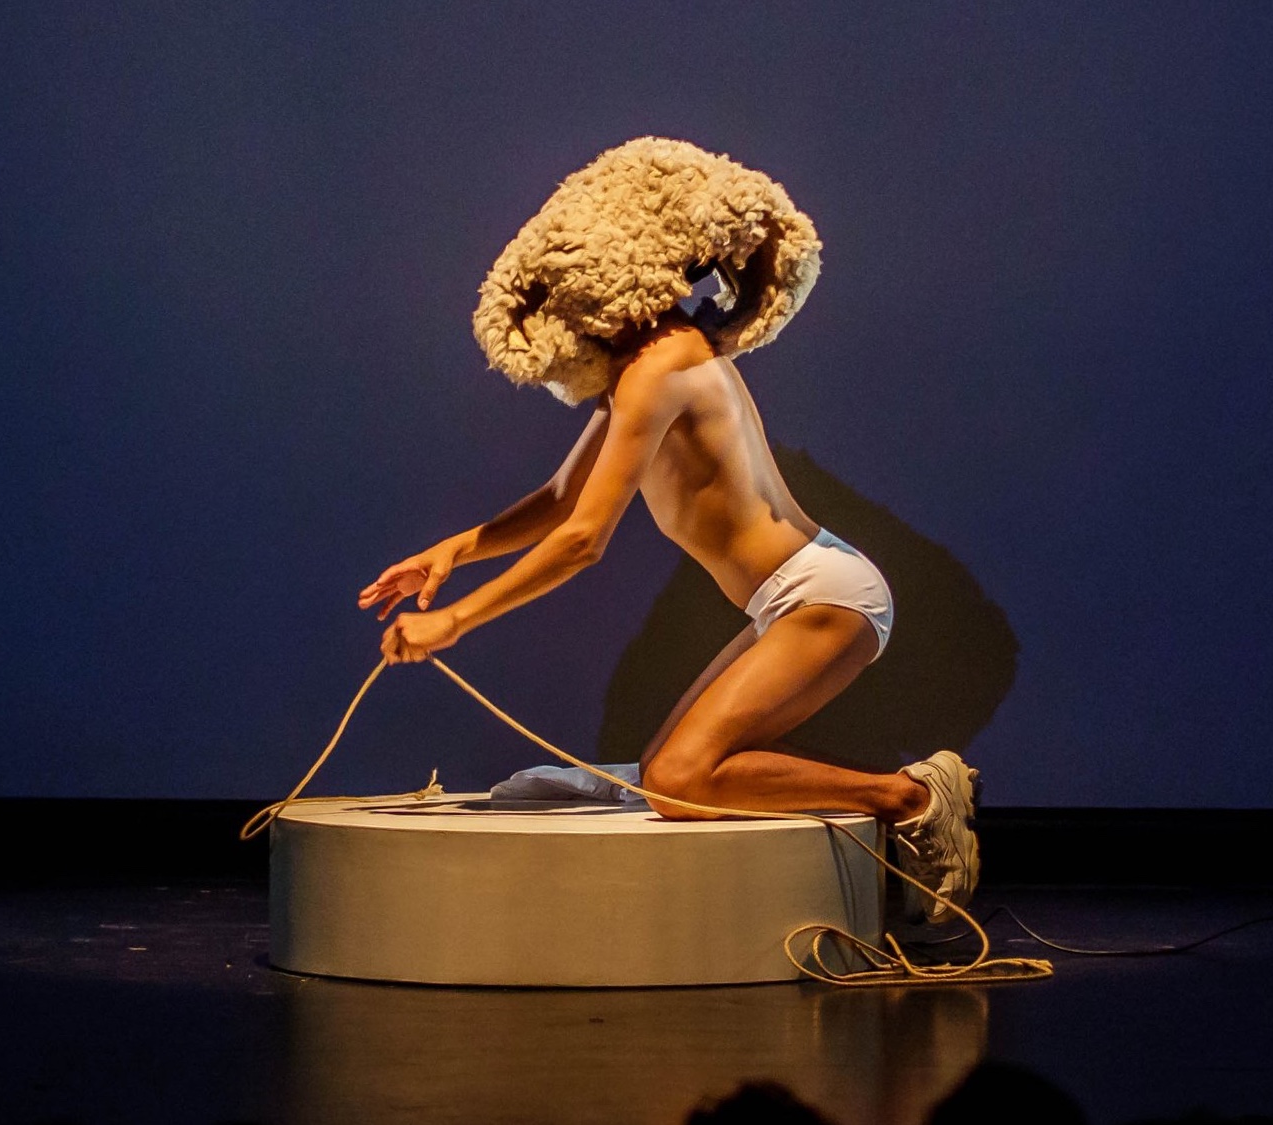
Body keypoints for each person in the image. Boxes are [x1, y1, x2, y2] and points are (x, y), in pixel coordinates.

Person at [355, 138, 979, 922]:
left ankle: (912, 796)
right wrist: (453, 550)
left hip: (826, 594)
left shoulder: (664, 367)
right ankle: (905, 801)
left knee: (682, 780)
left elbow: (584, 538)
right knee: (668, 774)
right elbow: (559, 496)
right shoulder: (642, 370)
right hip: (793, 596)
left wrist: (455, 619)